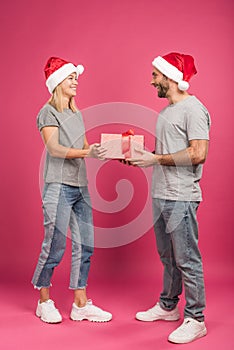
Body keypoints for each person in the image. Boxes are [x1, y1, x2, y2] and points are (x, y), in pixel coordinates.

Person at [128, 52, 210, 344]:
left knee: (187, 258)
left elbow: (198, 153)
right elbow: (161, 154)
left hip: (181, 197)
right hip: (161, 194)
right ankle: (168, 306)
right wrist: (140, 156)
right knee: (168, 257)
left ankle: (196, 318)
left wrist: (156, 159)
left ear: (171, 77)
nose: (151, 81)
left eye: (155, 75)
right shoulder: (165, 113)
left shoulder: (194, 109)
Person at [31, 56, 112, 324]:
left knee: (85, 245)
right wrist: (87, 152)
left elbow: (85, 147)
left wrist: (102, 151)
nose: (76, 81)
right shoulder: (48, 112)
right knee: (54, 246)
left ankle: (80, 304)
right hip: (58, 186)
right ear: (57, 83)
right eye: (70, 77)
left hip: (80, 186)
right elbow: (54, 149)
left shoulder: (76, 113)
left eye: (76, 77)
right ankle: (44, 301)